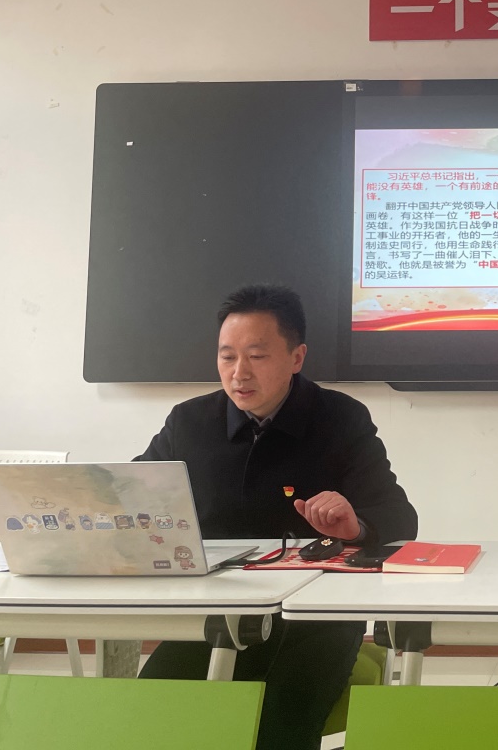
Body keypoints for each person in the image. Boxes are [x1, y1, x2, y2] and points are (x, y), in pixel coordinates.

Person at [135, 284, 416, 750]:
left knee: (277, 726)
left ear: (297, 357)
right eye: (227, 356)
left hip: (315, 618)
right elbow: (134, 494)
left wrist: (355, 527)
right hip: (216, 612)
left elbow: (399, 516)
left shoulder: (341, 419)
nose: (239, 373)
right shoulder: (190, 422)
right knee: (151, 718)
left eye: (257, 356)